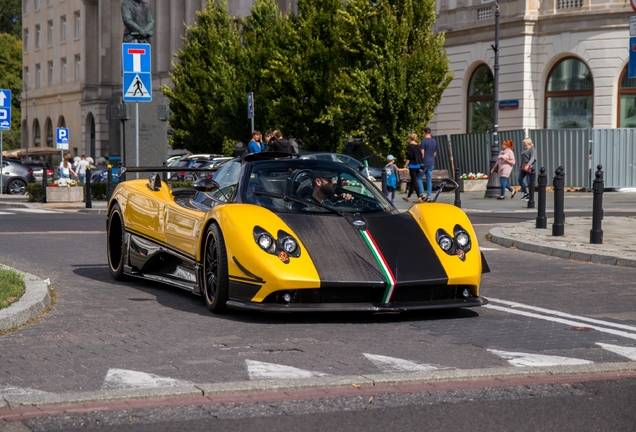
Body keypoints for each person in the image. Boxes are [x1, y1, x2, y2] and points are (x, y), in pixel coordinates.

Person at [402, 133, 423, 203]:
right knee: (413, 182)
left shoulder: (410, 147)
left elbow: (409, 157)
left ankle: (419, 197)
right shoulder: (418, 146)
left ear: (410, 138)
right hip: (418, 165)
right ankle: (408, 197)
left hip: (412, 165)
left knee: (414, 181)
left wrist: (405, 166)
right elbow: (421, 156)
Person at [419, 127, 437, 202]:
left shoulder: (423, 142)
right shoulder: (434, 141)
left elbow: (422, 154)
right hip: (431, 163)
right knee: (429, 179)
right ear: (430, 132)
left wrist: (420, 163)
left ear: (424, 133)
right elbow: (435, 154)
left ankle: (422, 194)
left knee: (418, 178)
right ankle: (429, 196)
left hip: (424, 162)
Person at [518, 137, 537, 201]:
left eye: (524, 142)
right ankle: (525, 193)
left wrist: (528, 165)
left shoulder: (532, 149)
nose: (523, 143)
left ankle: (530, 196)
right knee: (520, 179)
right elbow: (522, 159)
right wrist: (520, 166)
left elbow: (532, 158)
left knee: (529, 182)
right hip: (523, 166)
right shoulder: (525, 150)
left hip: (529, 166)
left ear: (527, 142)